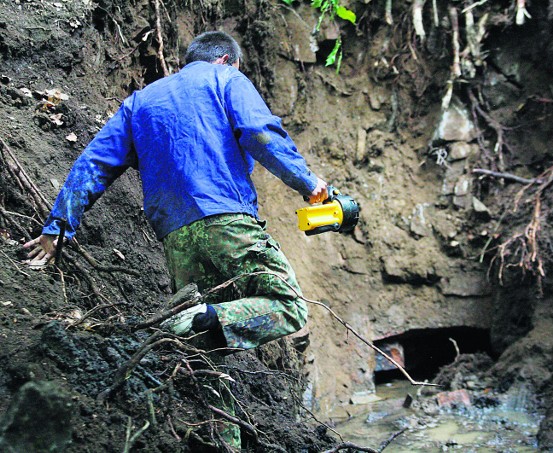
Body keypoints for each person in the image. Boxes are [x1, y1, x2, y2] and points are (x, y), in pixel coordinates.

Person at [24, 30, 328, 448]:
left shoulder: (138, 103)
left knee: (208, 358)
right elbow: (260, 133)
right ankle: (185, 321)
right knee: (289, 305)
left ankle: (225, 443)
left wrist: (58, 227)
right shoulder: (226, 79)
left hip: (175, 237)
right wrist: (308, 183)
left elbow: (93, 163)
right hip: (228, 221)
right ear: (226, 59)